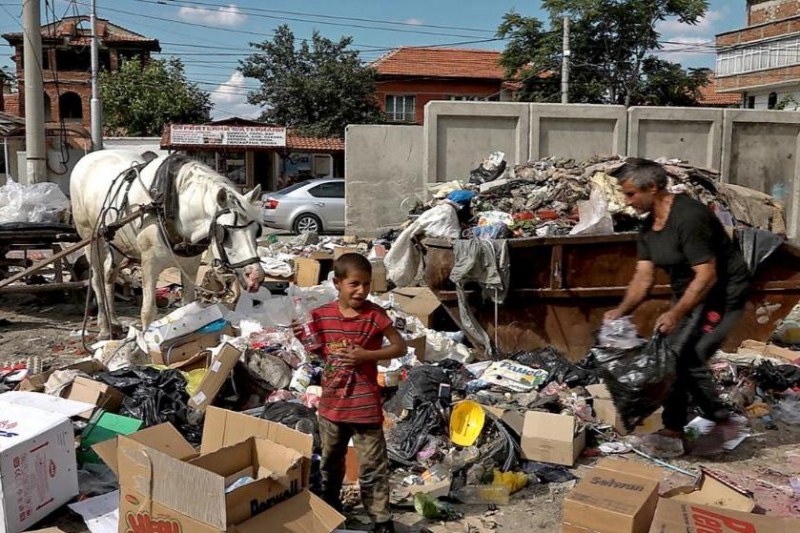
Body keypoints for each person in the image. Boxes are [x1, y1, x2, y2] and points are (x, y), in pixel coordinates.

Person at [604, 158, 751, 449]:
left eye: (631, 194)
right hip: (688, 293)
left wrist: (675, 313)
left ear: (654, 188)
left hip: (722, 292)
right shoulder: (647, 228)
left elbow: (707, 275)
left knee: (689, 356)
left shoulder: (689, 217)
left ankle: (720, 418)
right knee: (671, 356)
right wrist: (620, 312)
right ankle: (675, 427)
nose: (627, 201)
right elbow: (643, 278)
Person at [306, 253, 406, 533]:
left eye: (366, 284)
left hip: (365, 407)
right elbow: (316, 352)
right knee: (330, 464)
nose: (361, 290)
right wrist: (305, 340)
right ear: (337, 283)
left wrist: (367, 355)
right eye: (354, 284)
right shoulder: (321, 316)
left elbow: (400, 348)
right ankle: (330, 512)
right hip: (331, 407)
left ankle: (381, 521)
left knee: (373, 467)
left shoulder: (375, 315)